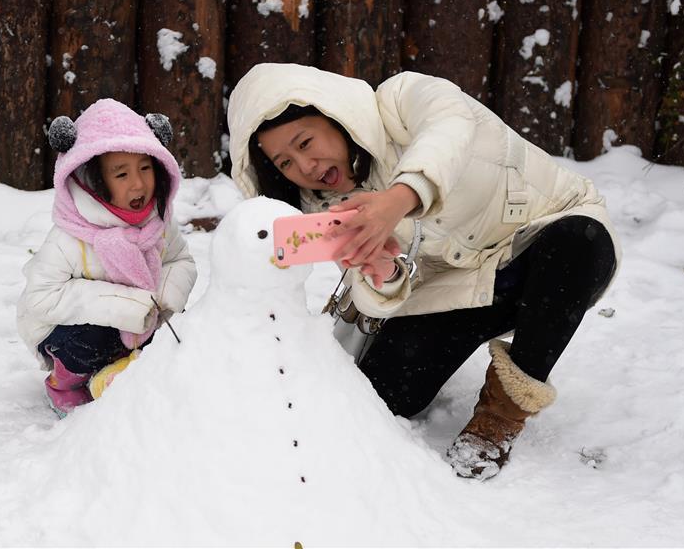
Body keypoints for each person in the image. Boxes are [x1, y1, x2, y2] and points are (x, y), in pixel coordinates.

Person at [227, 63, 620, 480]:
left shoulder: (400, 99)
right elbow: (373, 290)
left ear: (336, 117)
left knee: (580, 242)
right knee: (387, 394)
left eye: (305, 142)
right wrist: (383, 275)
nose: (305, 166)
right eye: (285, 162)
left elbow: (450, 127)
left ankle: (500, 418)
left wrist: (398, 199)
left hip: (545, 238)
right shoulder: (323, 206)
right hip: (462, 286)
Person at [17, 99, 197, 418]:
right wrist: (127, 306)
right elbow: (40, 298)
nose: (138, 183)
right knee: (94, 337)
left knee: (177, 331)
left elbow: (179, 261)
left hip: (137, 321)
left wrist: (163, 300)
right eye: (121, 174)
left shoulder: (159, 225)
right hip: (64, 330)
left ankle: (117, 372)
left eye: (145, 168)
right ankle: (65, 383)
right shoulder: (70, 238)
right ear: (95, 180)